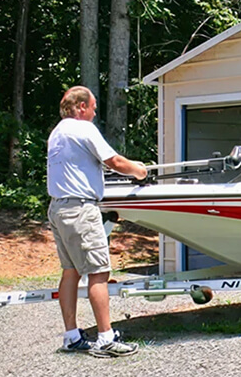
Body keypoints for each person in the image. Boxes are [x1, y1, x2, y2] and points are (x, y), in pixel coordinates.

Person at [46, 86, 147, 357]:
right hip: (80, 209)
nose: (93, 113)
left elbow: (82, 165)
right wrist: (139, 171)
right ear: (80, 107)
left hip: (58, 208)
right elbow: (113, 160)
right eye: (92, 107)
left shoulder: (58, 132)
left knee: (71, 271)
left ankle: (72, 336)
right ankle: (105, 339)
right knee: (99, 272)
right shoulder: (84, 129)